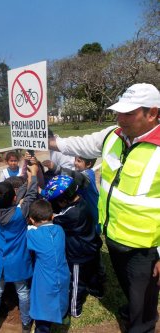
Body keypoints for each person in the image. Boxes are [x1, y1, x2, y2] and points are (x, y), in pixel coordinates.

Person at [48, 83, 160, 333]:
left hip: (145, 249)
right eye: (119, 112)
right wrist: (46, 141)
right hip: (113, 236)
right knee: (130, 288)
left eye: (128, 113)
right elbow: (79, 144)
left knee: (144, 304)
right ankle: (134, 308)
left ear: (152, 113)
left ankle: (141, 321)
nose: (120, 118)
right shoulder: (114, 135)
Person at [0, 164, 38, 333]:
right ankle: (26, 322)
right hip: (19, 260)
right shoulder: (20, 213)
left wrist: (25, 181)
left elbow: (22, 194)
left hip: (1, 259)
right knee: (23, 291)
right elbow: (31, 194)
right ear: (14, 198)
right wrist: (33, 176)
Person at [41, 175, 103, 318]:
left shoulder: (69, 214)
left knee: (76, 282)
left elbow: (53, 219)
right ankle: (97, 291)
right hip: (92, 247)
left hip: (78, 255)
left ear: (63, 200)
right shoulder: (82, 201)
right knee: (94, 274)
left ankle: (74, 309)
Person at [27, 199, 70, 333]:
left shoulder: (32, 234)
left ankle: (42, 329)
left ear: (31, 220)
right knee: (62, 296)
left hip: (45, 279)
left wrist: (31, 226)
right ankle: (63, 316)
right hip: (63, 274)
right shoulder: (60, 230)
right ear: (52, 216)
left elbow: (29, 233)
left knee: (43, 304)